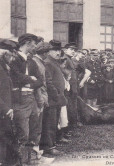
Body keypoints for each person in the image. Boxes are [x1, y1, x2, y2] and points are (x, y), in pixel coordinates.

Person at [10, 33, 44, 163]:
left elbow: (41, 80)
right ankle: (21, 161)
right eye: (34, 44)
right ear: (27, 43)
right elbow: (15, 77)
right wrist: (31, 79)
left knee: (33, 132)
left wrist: (30, 82)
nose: (35, 46)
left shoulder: (31, 61)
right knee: (23, 133)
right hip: (20, 100)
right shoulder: (14, 59)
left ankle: (29, 160)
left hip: (32, 99)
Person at [41, 40, 66, 156]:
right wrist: (55, 95)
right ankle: (48, 147)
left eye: (59, 50)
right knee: (50, 123)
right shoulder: (48, 63)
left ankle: (52, 143)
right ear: (49, 51)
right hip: (52, 99)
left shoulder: (54, 62)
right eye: (55, 50)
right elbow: (48, 82)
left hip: (57, 98)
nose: (58, 52)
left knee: (54, 122)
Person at [0, 39, 18, 165]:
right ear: (5, 54)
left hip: (6, 109)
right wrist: (5, 108)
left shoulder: (4, 67)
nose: (12, 58)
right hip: (3, 109)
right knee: (4, 138)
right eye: (11, 55)